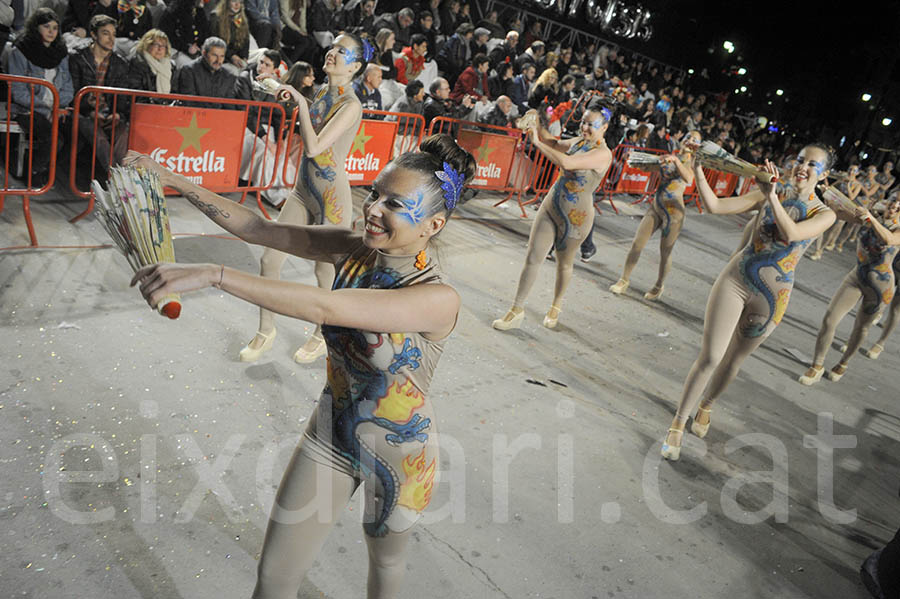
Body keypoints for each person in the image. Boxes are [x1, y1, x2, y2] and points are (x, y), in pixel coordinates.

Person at [124, 132, 475, 599]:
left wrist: (215, 273)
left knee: (386, 569)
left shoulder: (437, 298)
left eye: (395, 203)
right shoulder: (351, 247)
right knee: (273, 578)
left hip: (402, 459)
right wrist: (170, 178)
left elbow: (324, 308)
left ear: (433, 225)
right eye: (375, 193)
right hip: (330, 437)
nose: (373, 209)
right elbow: (258, 229)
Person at [660, 144, 837, 461]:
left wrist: (770, 196)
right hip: (737, 280)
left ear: (824, 176)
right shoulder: (772, 190)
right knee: (712, 356)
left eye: (813, 164)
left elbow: (793, 232)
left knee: (732, 362)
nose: (803, 167)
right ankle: (677, 423)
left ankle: (707, 405)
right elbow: (715, 206)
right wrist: (698, 168)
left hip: (772, 299)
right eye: (799, 160)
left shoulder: (825, 213)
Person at [240, 33, 367, 364]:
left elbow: (314, 147)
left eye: (343, 51)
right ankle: (266, 330)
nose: (332, 53)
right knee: (270, 260)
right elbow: (314, 122)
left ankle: (320, 333)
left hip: (331, 199)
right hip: (302, 190)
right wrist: (295, 98)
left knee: (324, 272)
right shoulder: (325, 91)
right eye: (333, 46)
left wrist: (298, 100)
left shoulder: (352, 106)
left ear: (355, 66)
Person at [492, 101, 613, 331]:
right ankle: (516, 309)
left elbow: (566, 161)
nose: (585, 128)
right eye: (584, 122)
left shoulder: (602, 154)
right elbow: (555, 143)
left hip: (575, 218)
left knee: (563, 264)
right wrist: (537, 123)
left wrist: (536, 142)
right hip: (551, 205)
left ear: (605, 127)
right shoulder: (579, 142)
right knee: (533, 256)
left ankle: (556, 305)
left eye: (592, 124)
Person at [799, 196, 900, 384]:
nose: (894, 205)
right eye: (893, 201)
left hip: (880, 287)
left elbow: (889, 238)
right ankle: (817, 365)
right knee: (830, 319)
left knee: (862, 327)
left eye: (899, 205)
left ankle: (844, 363)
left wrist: (871, 219)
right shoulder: (873, 215)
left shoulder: (893, 225)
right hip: (856, 276)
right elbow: (841, 214)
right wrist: (830, 202)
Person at [608, 131, 701, 301]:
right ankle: (624, 280)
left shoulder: (693, 161)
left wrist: (675, 161)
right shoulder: (669, 156)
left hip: (674, 213)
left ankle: (658, 286)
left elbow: (688, 178)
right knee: (637, 244)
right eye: (688, 137)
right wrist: (634, 159)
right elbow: (649, 167)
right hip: (656, 206)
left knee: (665, 252)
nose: (689, 140)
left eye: (695, 140)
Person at [7, 7, 74, 187]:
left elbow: (68, 86)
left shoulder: (60, 52)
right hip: (28, 109)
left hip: (56, 108)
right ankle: (34, 174)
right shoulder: (21, 50)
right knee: (52, 137)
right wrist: (47, 109)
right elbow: (18, 91)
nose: (51, 32)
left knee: (75, 136)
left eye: (55, 27)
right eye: (46, 27)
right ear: (36, 28)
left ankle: (44, 170)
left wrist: (59, 106)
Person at [69, 14, 131, 176]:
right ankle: (116, 179)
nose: (111, 39)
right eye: (106, 33)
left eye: (114, 34)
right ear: (94, 35)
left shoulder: (120, 63)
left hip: (108, 112)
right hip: (84, 113)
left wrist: (116, 113)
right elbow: (73, 92)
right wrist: (89, 111)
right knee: (99, 137)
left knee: (123, 133)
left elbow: (122, 96)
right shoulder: (78, 58)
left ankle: (121, 177)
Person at [174, 37, 237, 105]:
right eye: (214, 55)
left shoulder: (228, 76)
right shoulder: (189, 71)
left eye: (222, 56)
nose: (218, 60)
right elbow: (188, 103)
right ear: (204, 53)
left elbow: (230, 106)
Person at [159, 0, 210, 68]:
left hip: (197, 50)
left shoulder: (199, 10)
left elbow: (205, 31)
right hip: (176, 51)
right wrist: (187, 47)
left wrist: (199, 45)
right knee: (188, 66)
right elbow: (167, 36)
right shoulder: (172, 11)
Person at [128, 29, 175, 96]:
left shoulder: (171, 67)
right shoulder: (138, 63)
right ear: (147, 45)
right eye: (156, 45)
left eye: (163, 46)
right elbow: (136, 93)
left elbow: (175, 92)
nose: (160, 49)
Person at [209, 0, 251, 74]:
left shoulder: (242, 19)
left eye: (240, 2)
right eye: (234, 1)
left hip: (237, 57)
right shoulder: (216, 17)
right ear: (227, 2)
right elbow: (215, 43)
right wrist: (232, 56)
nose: (237, 5)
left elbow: (246, 41)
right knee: (234, 71)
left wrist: (244, 58)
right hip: (222, 58)